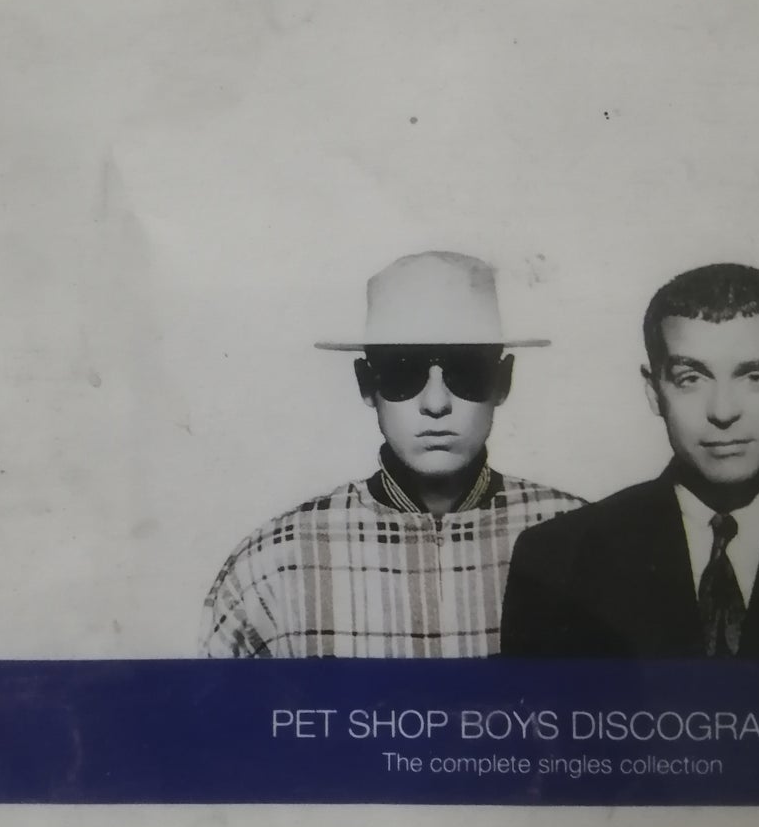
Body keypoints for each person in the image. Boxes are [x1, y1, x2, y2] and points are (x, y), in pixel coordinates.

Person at [500, 262, 759, 659]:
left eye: (755, 377)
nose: (723, 411)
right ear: (654, 391)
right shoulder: (558, 559)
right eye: (691, 378)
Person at [199, 251, 582, 657]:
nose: (436, 403)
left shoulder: (581, 541)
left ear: (503, 380)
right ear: (366, 383)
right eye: (404, 370)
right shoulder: (274, 564)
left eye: (467, 369)